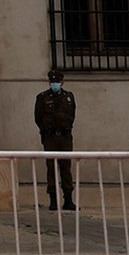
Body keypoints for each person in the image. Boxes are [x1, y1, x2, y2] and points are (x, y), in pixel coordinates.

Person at [33, 70, 78, 211]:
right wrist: (46, 130)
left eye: (57, 82)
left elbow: (72, 115)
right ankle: (53, 200)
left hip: (65, 137)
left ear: (62, 82)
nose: (55, 84)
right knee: (51, 169)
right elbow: (38, 117)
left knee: (66, 168)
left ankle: (68, 200)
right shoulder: (43, 97)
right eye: (53, 82)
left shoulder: (68, 97)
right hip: (50, 137)